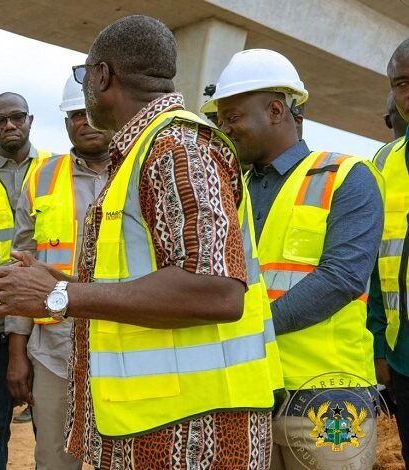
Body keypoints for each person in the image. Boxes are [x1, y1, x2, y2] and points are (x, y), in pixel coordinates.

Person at [0, 15, 282, 469]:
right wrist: (62, 282)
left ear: (103, 75)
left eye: (83, 74)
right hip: (159, 423)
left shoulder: (177, 147)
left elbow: (218, 291)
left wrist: (58, 295)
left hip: (195, 434)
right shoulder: (145, 151)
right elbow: (148, 278)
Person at [204, 48, 382, 469]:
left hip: (328, 395)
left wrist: (252, 329)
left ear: (275, 110)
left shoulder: (346, 176)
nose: (225, 130)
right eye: (220, 119)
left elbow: (341, 278)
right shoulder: (231, 191)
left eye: (233, 117)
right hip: (249, 394)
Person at [5, 76, 112, 470]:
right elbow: (23, 267)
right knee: (53, 458)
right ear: (66, 122)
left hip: (124, 347)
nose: (84, 122)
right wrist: (17, 352)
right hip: (54, 350)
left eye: (90, 113)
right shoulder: (43, 177)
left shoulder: (137, 172)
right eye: (74, 115)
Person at [0, 92, 52, 470]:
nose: (9, 125)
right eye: (0, 120)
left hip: (47, 316)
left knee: (48, 424)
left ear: (30, 120)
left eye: (16, 117)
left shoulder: (57, 170)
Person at [369, 38, 409, 466]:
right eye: (401, 83)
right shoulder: (383, 163)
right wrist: (379, 347)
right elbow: (374, 265)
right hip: (403, 357)